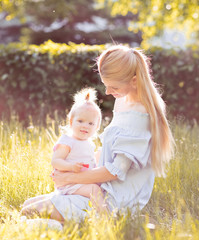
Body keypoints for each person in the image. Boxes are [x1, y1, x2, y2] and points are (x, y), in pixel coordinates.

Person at [20, 44, 175, 224]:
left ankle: (81, 224)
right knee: (28, 205)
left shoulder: (139, 115)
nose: (108, 92)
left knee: (29, 212)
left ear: (134, 80)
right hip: (101, 188)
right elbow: (110, 151)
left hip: (113, 201)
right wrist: (78, 163)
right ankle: (60, 223)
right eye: (106, 86)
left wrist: (71, 178)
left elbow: (115, 171)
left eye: (113, 87)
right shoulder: (123, 101)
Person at [21, 88, 107, 219]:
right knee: (94, 190)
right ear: (71, 121)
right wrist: (70, 167)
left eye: (91, 123)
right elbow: (56, 161)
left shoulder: (89, 143)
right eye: (81, 121)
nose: (85, 126)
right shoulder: (68, 141)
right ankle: (107, 217)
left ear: (96, 127)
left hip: (80, 181)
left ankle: (97, 212)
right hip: (70, 183)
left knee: (94, 188)